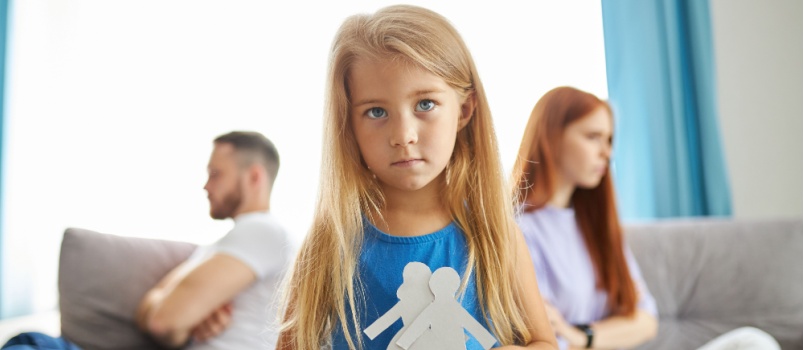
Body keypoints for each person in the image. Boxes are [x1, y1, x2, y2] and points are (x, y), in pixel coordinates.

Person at [276, 5, 557, 350]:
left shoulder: (496, 235)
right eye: (376, 112)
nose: (403, 135)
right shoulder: (329, 242)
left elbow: (543, 342)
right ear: (349, 125)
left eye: (425, 104)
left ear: (464, 110)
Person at [511, 86, 780, 350]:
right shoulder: (519, 230)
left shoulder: (596, 226)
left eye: (609, 140)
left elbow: (646, 319)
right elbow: (550, 337)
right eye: (593, 137)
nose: (607, 153)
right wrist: (600, 334)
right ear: (552, 136)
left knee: (751, 342)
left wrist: (583, 336)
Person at [136, 131, 291, 349]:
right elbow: (151, 310)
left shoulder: (263, 231)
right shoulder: (220, 246)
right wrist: (187, 326)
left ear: (254, 177)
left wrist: (179, 318)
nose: (206, 186)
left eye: (215, 174)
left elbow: (162, 322)